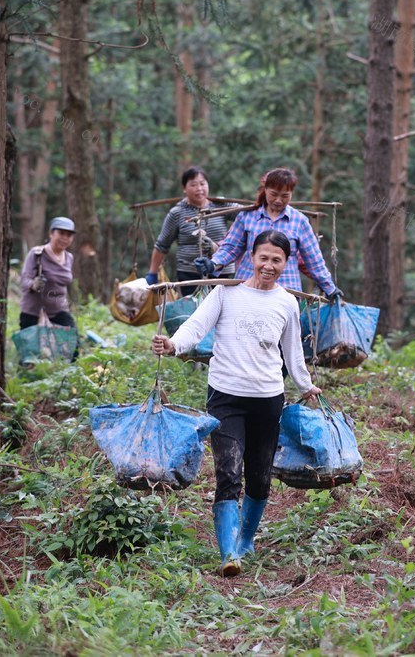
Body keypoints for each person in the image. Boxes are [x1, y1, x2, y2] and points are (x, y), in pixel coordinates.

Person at [151, 230, 322, 577]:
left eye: (277, 260)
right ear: (251, 258)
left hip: (268, 400)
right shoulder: (225, 293)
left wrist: (305, 385)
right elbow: (195, 327)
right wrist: (173, 345)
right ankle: (228, 552)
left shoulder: (287, 302)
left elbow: (292, 352)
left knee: (259, 478)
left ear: (286, 264)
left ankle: (245, 539)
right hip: (226, 397)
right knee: (228, 473)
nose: (269, 265)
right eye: (263, 258)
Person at [194, 167, 344, 300]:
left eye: (285, 196)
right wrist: (213, 264)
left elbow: (314, 260)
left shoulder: (300, 222)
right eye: (274, 194)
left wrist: (329, 288)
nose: (278, 200)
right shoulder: (247, 216)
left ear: (291, 194)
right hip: (248, 288)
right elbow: (230, 248)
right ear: (265, 190)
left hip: (286, 291)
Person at [146, 167, 235, 296]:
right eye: (193, 185)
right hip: (190, 274)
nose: (199, 188)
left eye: (202, 184)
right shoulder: (177, 213)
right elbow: (161, 245)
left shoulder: (221, 207)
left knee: (222, 312)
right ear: (184, 188)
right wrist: (152, 273)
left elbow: (246, 215)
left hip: (222, 272)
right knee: (194, 313)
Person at [19, 216, 78, 331]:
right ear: (51, 233)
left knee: (72, 345)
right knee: (32, 348)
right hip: (33, 312)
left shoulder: (69, 257)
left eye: (69, 235)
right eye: (61, 233)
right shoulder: (37, 254)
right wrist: (34, 285)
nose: (65, 238)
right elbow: (24, 280)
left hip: (59, 311)